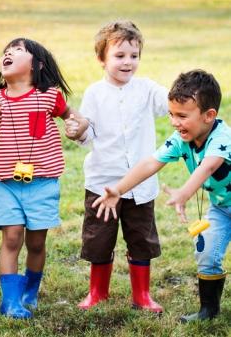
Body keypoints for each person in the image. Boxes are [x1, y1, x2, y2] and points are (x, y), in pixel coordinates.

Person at [93, 69, 231, 323]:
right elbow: (150, 163)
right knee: (207, 253)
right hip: (222, 209)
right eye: (171, 114)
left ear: (209, 116)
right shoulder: (181, 139)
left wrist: (184, 193)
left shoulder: (222, 138)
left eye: (182, 116)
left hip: (221, 204)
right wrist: (119, 189)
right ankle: (208, 311)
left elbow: (208, 166)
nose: (174, 122)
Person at [0, 38, 88, 319]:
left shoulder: (50, 96)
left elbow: (74, 118)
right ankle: (10, 302)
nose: (8, 54)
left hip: (42, 183)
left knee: (36, 242)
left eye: (17, 50)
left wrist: (78, 126)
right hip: (4, 183)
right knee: (12, 238)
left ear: (36, 64)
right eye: (6, 52)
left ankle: (30, 291)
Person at [76, 20, 168, 313]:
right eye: (119, 56)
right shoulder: (94, 93)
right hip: (103, 183)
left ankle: (142, 295)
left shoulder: (146, 88)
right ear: (102, 59)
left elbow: (168, 103)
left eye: (134, 55)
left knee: (142, 239)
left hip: (140, 185)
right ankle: (97, 292)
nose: (128, 62)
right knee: (98, 240)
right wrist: (78, 131)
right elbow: (88, 133)